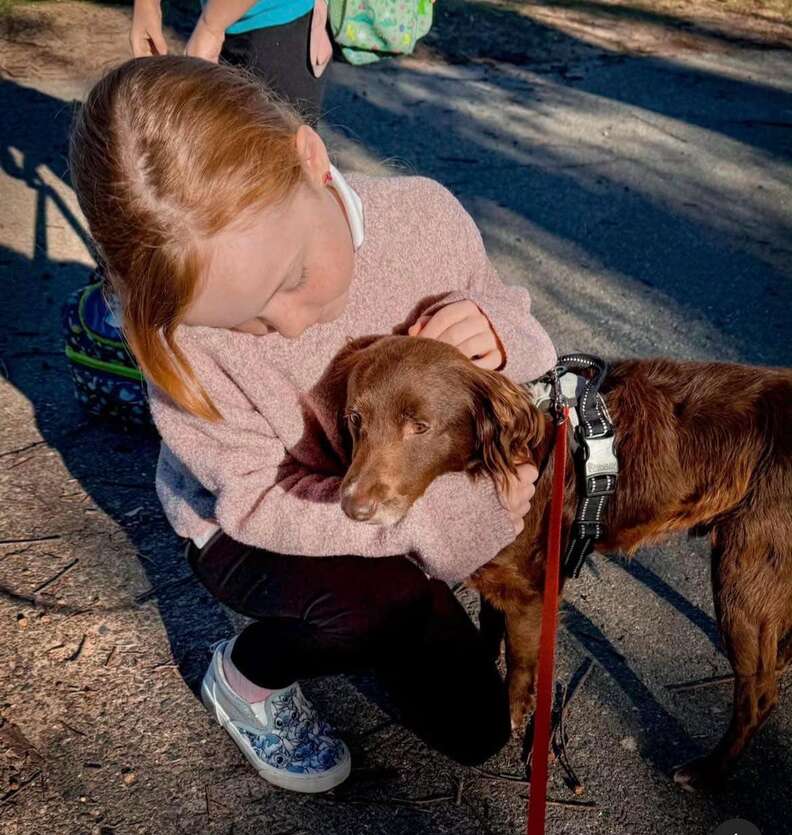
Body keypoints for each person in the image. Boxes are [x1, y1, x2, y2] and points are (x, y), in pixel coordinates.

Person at [69, 56, 557, 793]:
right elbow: (259, 500)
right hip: (256, 523)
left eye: (293, 278)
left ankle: (403, 588)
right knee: (372, 612)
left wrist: (497, 331)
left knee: (476, 732)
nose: (293, 324)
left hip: (383, 497)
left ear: (311, 157)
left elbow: (514, 323)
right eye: (245, 320)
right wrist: (451, 516)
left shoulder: (425, 215)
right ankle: (247, 679)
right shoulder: (182, 339)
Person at [130, 0, 332, 123]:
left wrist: (211, 27)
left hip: (284, 26)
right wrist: (147, 4)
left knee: (285, 156)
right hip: (219, 21)